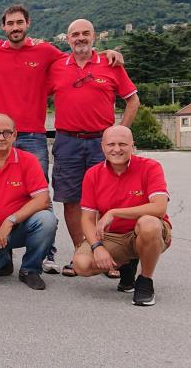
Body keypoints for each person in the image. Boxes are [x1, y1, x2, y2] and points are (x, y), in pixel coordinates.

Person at [0, 4, 123, 275]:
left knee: (39, 195)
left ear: (28, 24)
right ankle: (4, 253)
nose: (15, 27)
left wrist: (106, 54)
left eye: (19, 22)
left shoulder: (45, 51)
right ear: (3, 27)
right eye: (10, 23)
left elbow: (80, 55)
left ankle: (47, 253)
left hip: (33, 135)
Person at [48, 19, 140, 277]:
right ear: (68, 39)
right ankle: (81, 253)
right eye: (75, 34)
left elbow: (133, 101)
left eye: (85, 33)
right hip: (67, 141)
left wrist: (119, 134)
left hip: (101, 142)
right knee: (71, 200)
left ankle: (108, 255)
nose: (80, 38)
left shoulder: (110, 64)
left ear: (94, 36)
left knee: (106, 200)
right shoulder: (57, 67)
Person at [71, 126, 172, 306]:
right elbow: (87, 219)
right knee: (81, 264)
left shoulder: (150, 167)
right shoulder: (92, 174)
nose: (117, 149)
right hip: (114, 235)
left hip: (148, 232)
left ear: (133, 146)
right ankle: (127, 265)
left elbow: (159, 208)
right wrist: (97, 247)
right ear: (102, 147)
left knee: (148, 223)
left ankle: (145, 280)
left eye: (123, 144)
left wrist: (114, 212)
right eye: (111, 144)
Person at [0, 114, 58, 290]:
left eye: (7, 132)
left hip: (16, 228)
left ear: (14, 135)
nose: (1, 137)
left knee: (47, 220)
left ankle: (30, 269)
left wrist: (10, 220)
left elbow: (42, 200)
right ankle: (3, 256)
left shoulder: (28, 160)